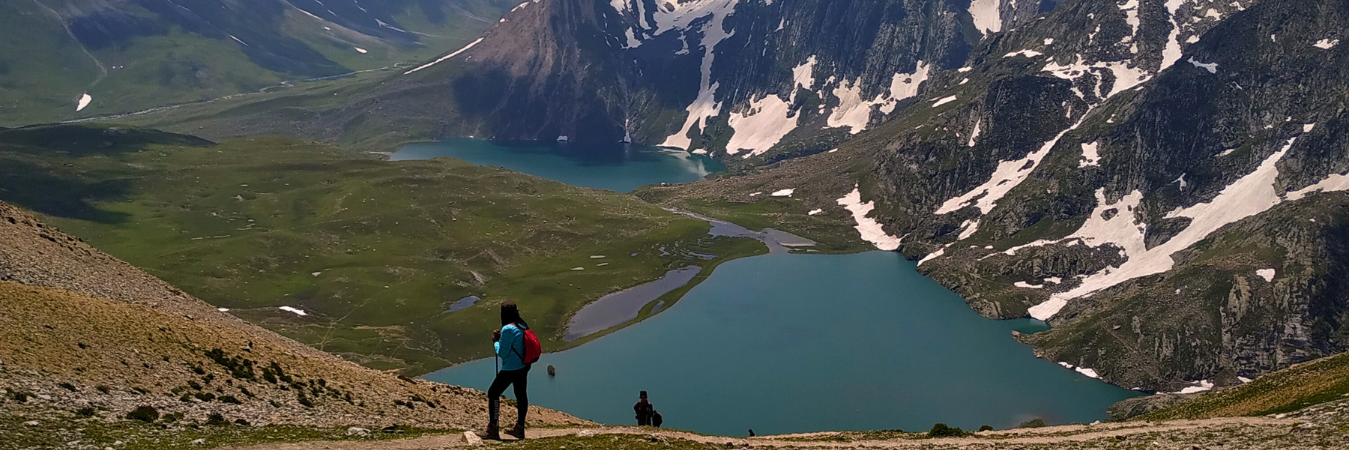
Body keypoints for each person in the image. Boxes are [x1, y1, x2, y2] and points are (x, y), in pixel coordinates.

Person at [484, 301, 532, 440]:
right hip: (524, 366)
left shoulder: (508, 329)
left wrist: (496, 342)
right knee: (521, 395)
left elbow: (502, 353)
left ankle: (493, 429)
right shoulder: (522, 324)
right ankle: (519, 428)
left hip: (511, 368)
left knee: (493, 393)